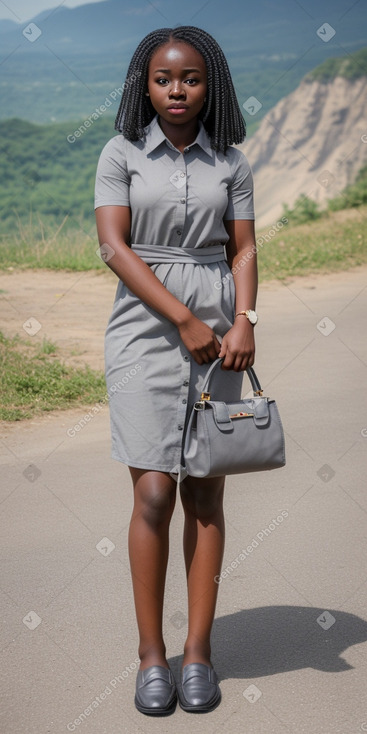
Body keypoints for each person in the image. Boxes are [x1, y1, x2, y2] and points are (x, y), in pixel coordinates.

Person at [94, 25, 257, 716]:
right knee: (154, 492)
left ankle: (197, 653)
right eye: (163, 79)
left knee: (206, 496)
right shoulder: (120, 151)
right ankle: (149, 656)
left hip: (222, 335)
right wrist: (182, 319)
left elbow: (243, 249)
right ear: (146, 84)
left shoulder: (232, 161)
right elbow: (113, 246)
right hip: (142, 330)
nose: (177, 90)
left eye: (189, 77)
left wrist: (244, 318)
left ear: (208, 82)